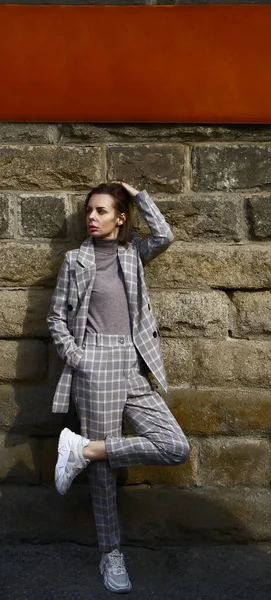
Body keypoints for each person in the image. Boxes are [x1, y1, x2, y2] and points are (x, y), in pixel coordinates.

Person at [47, 181, 189, 594]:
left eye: (102, 211)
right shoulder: (75, 261)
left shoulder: (132, 255)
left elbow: (164, 235)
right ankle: (112, 554)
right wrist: (79, 358)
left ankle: (84, 449)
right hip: (94, 365)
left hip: (132, 365)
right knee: (105, 475)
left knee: (174, 445)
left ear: (120, 218)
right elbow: (56, 319)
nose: (91, 217)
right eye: (89, 210)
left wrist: (139, 194)